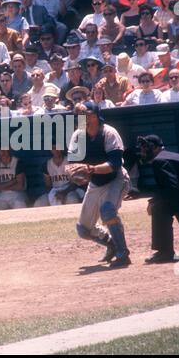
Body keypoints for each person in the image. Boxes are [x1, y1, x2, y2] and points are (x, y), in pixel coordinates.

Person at [68, 101, 131, 267]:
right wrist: (74, 174)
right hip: (95, 183)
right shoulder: (77, 136)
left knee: (108, 211)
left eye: (88, 114)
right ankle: (111, 244)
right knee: (84, 229)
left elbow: (115, 164)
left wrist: (91, 169)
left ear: (96, 116)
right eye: (81, 116)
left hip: (115, 179)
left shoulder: (109, 132)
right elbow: (72, 164)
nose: (84, 119)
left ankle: (123, 253)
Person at [137, 135, 179, 263]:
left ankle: (165, 252)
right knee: (165, 205)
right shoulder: (165, 157)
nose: (142, 152)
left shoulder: (159, 161)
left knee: (159, 208)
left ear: (155, 148)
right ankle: (165, 251)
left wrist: (153, 202)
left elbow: (172, 189)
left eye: (145, 148)